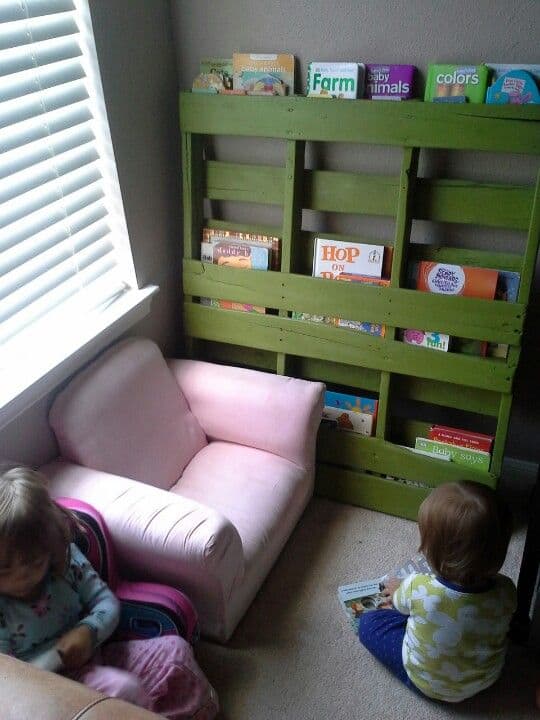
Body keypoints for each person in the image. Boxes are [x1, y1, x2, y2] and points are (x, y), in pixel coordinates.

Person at [0, 465, 218, 719]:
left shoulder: (65, 563)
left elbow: (106, 603)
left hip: (96, 652)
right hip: (47, 688)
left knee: (175, 650)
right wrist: (57, 657)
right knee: (123, 691)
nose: (21, 576)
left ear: (50, 547)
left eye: (34, 562)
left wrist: (88, 630)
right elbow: (8, 677)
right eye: (4, 570)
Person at [358, 480, 517, 703]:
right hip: (484, 680)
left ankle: (422, 674)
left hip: (427, 683)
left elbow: (398, 603)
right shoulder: (507, 590)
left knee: (368, 624)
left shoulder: (418, 587)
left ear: (433, 552)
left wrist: (397, 590)